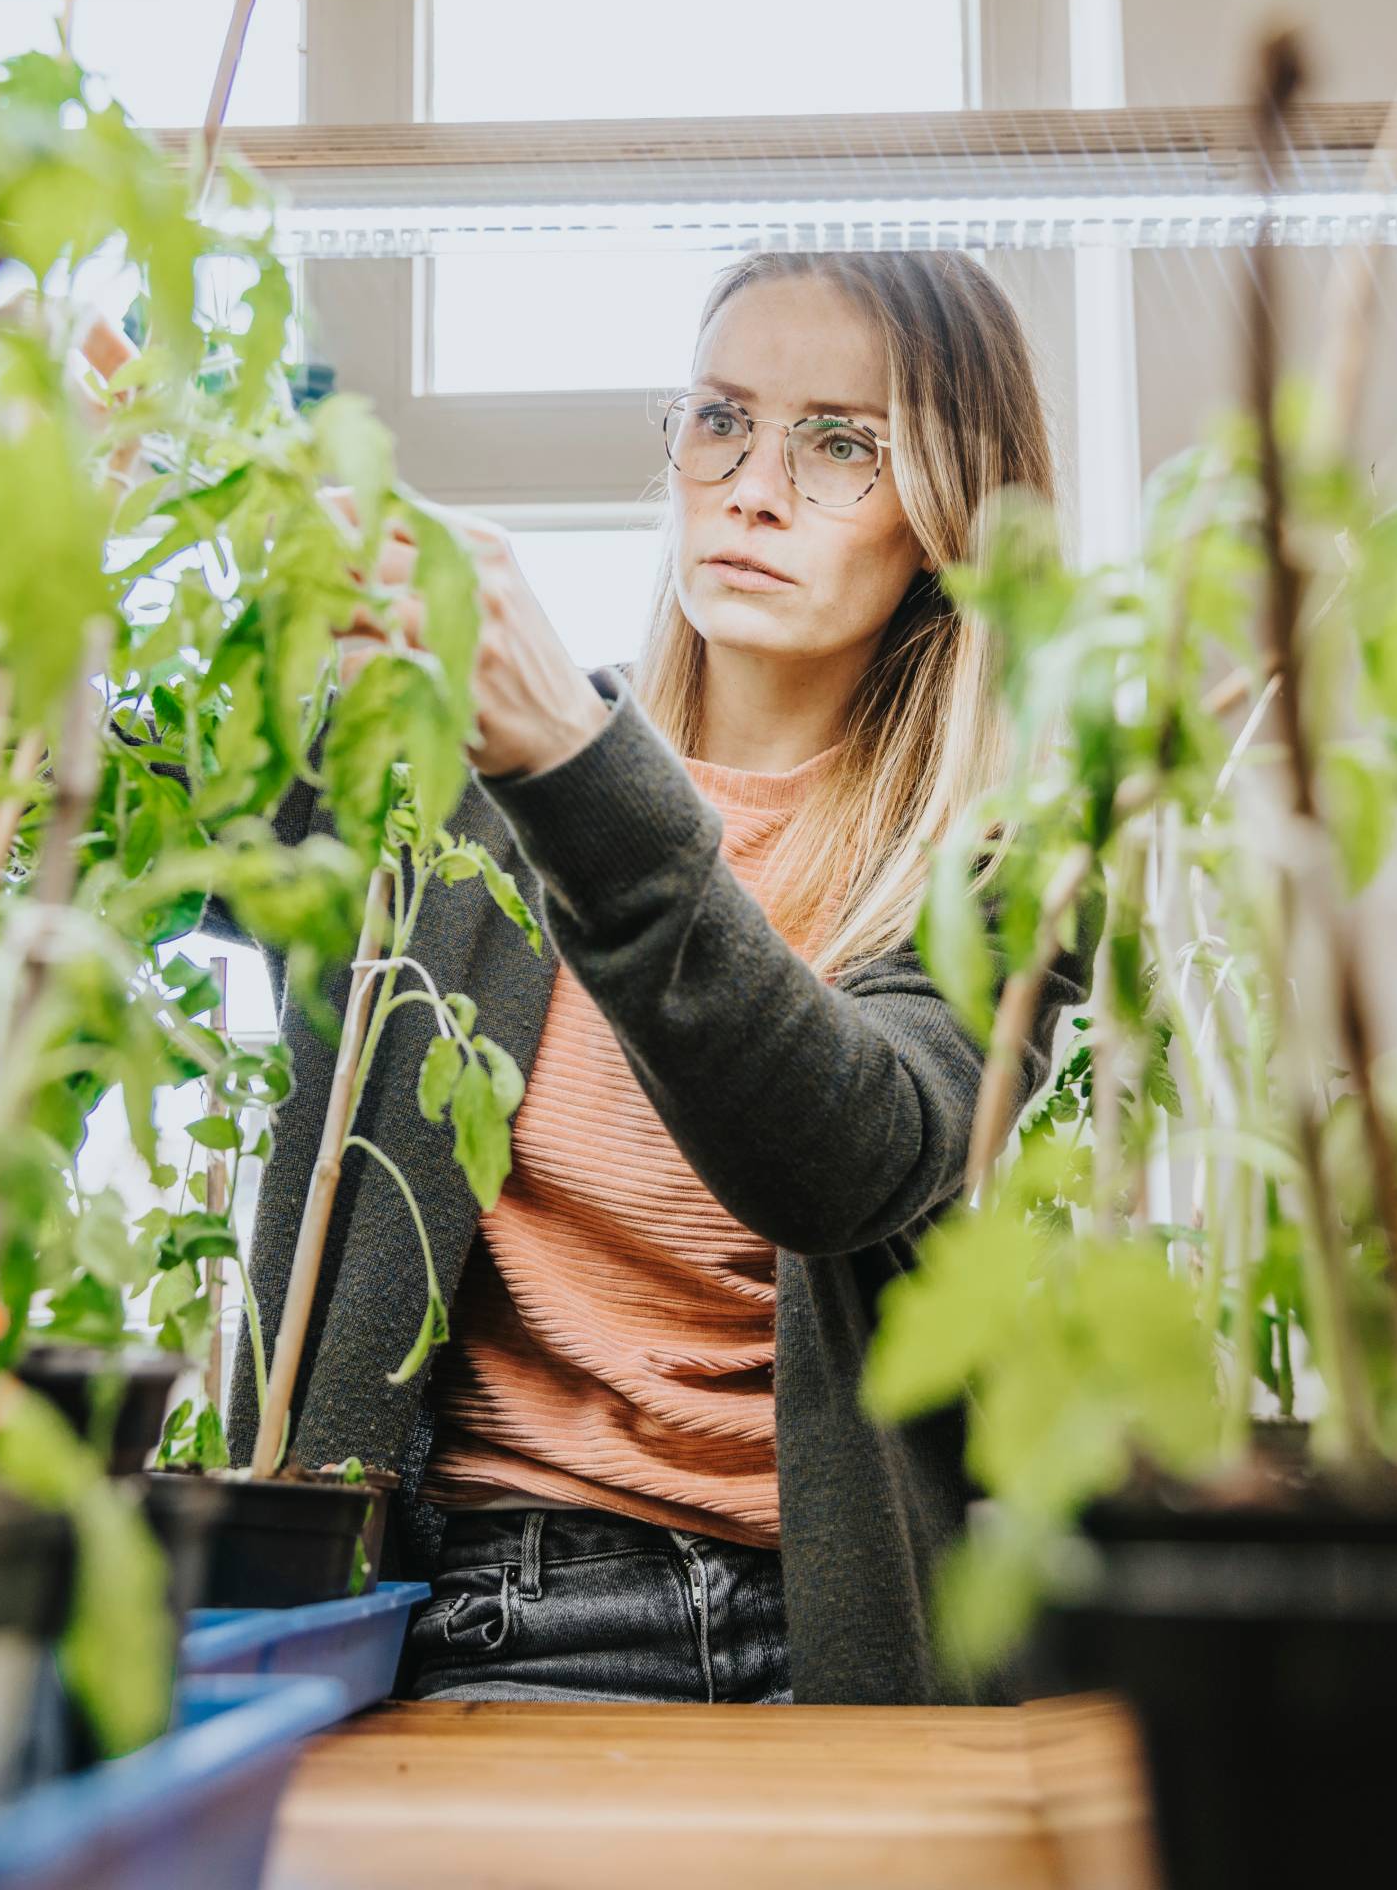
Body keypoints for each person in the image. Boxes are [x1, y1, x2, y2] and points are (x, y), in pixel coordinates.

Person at [219, 249, 1090, 1706]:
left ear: (956, 517)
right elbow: (89, 806)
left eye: (841, 445)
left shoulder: (995, 873)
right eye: (720, 418)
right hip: (494, 1620)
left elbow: (842, 1159)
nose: (754, 486)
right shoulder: (441, 791)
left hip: (843, 1642)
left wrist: (572, 760)